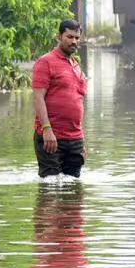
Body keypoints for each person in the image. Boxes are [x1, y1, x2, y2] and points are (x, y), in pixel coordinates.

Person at [32, 19, 87, 179]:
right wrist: (47, 129)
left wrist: (81, 141)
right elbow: (38, 98)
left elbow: (78, 103)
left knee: (73, 191)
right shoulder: (46, 62)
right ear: (59, 36)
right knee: (49, 189)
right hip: (51, 136)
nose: (74, 41)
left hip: (75, 139)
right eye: (69, 37)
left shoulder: (75, 65)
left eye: (77, 38)